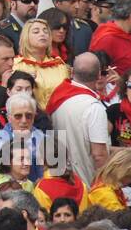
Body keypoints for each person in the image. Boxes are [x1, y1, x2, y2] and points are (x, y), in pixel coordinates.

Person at [46, 53, 110, 185]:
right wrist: (105, 185)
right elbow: (99, 154)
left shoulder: (56, 97)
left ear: (72, 72)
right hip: (87, 183)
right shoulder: (94, 108)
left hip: (60, 179)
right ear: (98, 75)